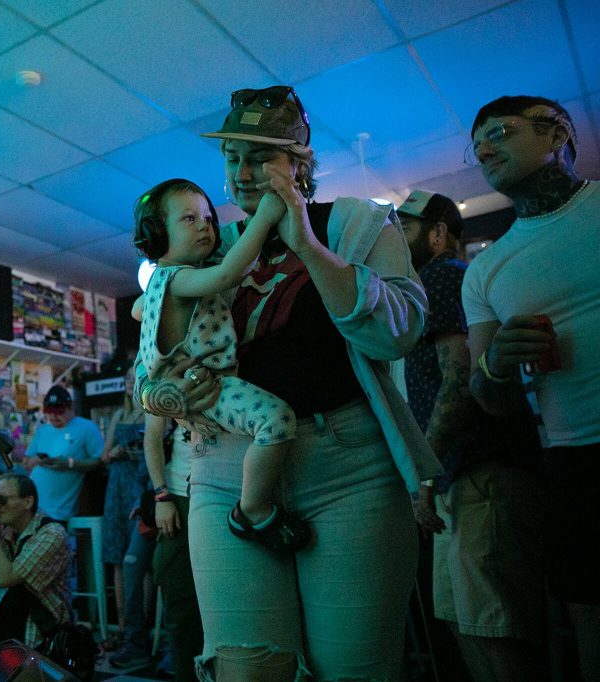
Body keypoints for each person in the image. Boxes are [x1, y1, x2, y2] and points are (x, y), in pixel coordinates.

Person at [136, 85, 441, 681]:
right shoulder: (210, 244)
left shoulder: (353, 222)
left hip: (347, 469)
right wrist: (169, 395)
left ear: (300, 163)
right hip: (224, 469)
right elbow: (154, 362)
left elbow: (398, 334)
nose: (242, 172)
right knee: (248, 670)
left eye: (261, 155)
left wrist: (305, 242)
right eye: (231, 157)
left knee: (351, 669)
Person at [461, 95, 599, 680]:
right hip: (574, 462)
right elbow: (486, 395)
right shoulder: (487, 269)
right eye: (477, 145)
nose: (485, 149)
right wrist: (496, 364)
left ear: (556, 133)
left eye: (501, 132)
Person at [398, 190, 545, 680]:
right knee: (466, 622)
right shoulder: (434, 283)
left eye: (407, 226)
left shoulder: (442, 277)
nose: (395, 237)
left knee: (492, 627)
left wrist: (423, 472)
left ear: (438, 233)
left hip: (480, 472)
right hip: (458, 476)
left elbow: (457, 383)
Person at [134, 177, 307, 550]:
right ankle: (252, 509)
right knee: (278, 421)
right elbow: (230, 273)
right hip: (210, 388)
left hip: (195, 389)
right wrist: (264, 218)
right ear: (156, 235)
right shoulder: (177, 278)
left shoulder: (161, 285)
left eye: (209, 218)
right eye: (189, 219)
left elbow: (138, 309)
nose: (205, 226)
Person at [0, 473, 71, 662]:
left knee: (8, 600)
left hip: (37, 624)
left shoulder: (52, 534)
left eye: (3, 500)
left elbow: (6, 579)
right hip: (1, 610)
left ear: (28, 502)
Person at [143, 421, 203, 682]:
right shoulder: (161, 381)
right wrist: (162, 496)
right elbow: (153, 435)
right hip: (181, 496)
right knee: (181, 604)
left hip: (233, 489)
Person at [99, 367, 148, 653]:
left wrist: (128, 453)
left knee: (138, 559)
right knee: (117, 556)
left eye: (134, 377)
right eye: (128, 379)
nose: (131, 382)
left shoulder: (151, 412)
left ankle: (142, 625)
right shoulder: (119, 415)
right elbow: (104, 456)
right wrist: (115, 453)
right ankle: (122, 626)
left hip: (139, 485)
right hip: (116, 487)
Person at [23, 386, 103, 523]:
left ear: (70, 407)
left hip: (59, 511)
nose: (53, 416)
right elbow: (26, 462)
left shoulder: (87, 428)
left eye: (59, 412)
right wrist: (37, 460)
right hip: (33, 506)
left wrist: (69, 464)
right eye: (49, 412)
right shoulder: (42, 430)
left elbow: (99, 461)